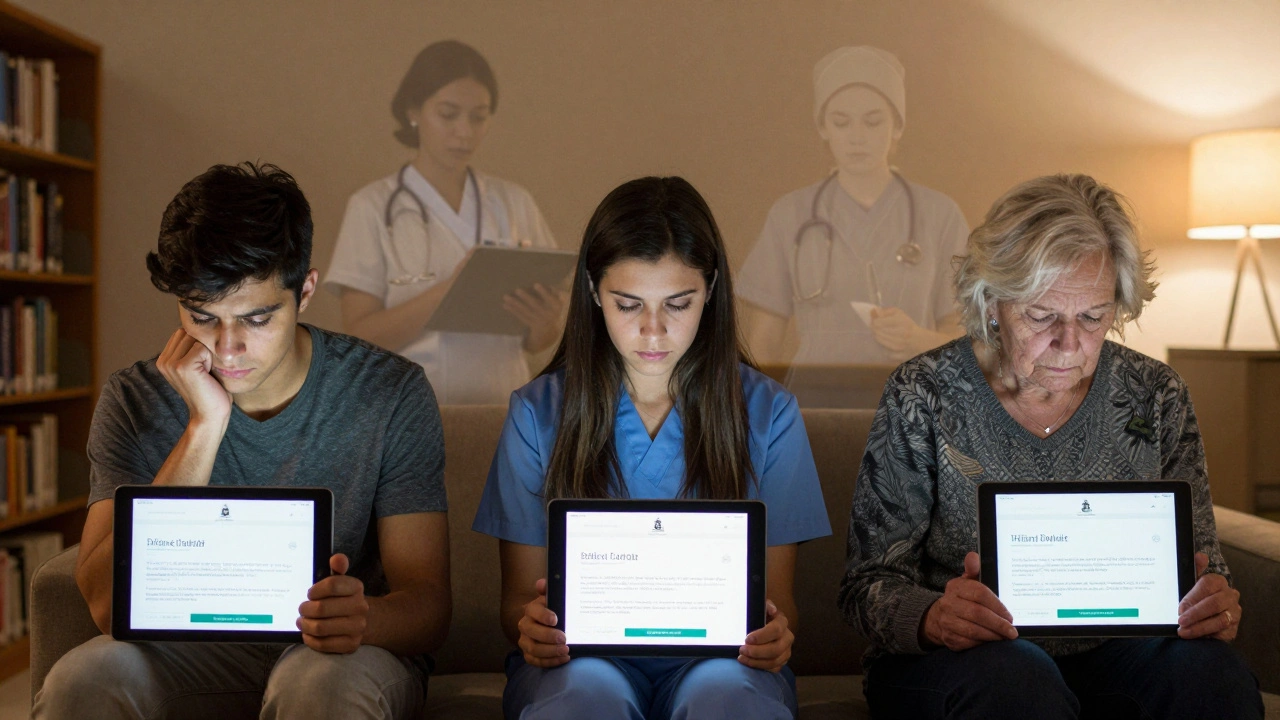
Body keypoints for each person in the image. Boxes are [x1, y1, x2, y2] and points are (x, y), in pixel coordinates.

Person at [34, 163, 451, 720]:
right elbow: (110, 606)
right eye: (201, 317)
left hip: (341, 655)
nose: (226, 350)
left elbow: (429, 606)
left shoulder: (388, 392)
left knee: (319, 687)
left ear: (305, 290)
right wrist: (203, 427)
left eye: (256, 319)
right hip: (187, 651)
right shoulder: (134, 399)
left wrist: (365, 617)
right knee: (80, 682)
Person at [839, 174, 1264, 719]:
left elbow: (1205, 568)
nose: (1071, 344)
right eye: (1042, 317)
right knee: (1019, 681)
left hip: (1121, 654)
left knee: (1214, 676)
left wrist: (1213, 601)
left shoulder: (1154, 395)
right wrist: (934, 616)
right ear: (991, 303)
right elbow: (863, 585)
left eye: (1093, 317)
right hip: (967, 660)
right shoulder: (925, 392)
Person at [472, 177, 831, 719]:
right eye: (628, 304)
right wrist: (534, 630)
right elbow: (517, 600)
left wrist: (775, 634)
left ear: (710, 291)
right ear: (594, 292)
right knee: (584, 696)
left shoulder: (769, 414)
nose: (653, 330)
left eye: (678, 304)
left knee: (727, 698)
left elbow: (777, 605)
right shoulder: (538, 413)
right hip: (578, 662)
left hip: (724, 663)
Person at [325, 39, 564, 405]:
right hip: (411, 414)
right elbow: (360, 337)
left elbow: (540, 339)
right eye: (448, 114)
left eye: (478, 117)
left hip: (501, 407)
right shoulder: (371, 206)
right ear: (413, 111)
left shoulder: (515, 203)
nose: (464, 132)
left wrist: (545, 323)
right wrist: (454, 287)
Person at [737, 46, 968, 381]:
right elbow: (763, 343)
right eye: (841, 122)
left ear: (897, 126)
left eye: (873, 121)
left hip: (914, 401)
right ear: (823, 128)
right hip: (814, 405)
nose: (857, 137)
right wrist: (755, 422)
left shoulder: (940, 215)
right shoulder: (790, 215)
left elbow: (969, 343)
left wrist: (918, 340)